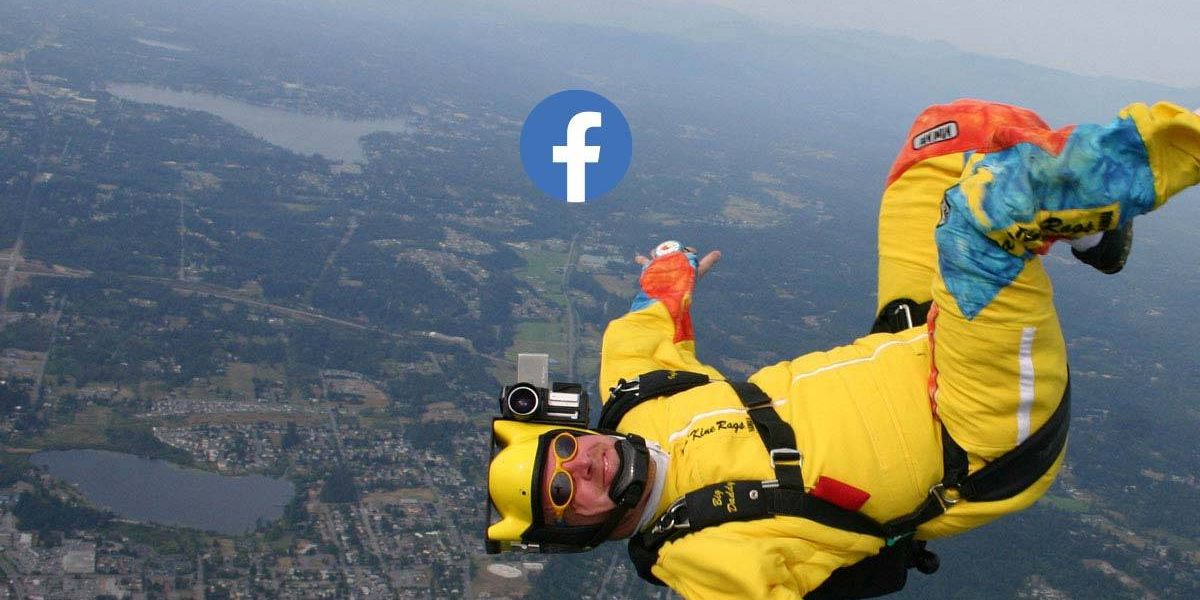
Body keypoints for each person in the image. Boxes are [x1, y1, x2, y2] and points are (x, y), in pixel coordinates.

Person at [485, 99, 1200, 599]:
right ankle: (1178, 147)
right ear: (576, 534)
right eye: (562, 490)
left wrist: (667, 273)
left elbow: (641, 330)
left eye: (566, 449)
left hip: (916, 342)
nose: (585, 463)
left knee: (944, 138)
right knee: (985, 218)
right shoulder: (702, 562)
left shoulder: (638, 408)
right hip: (980, 434)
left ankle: (1090, 229)